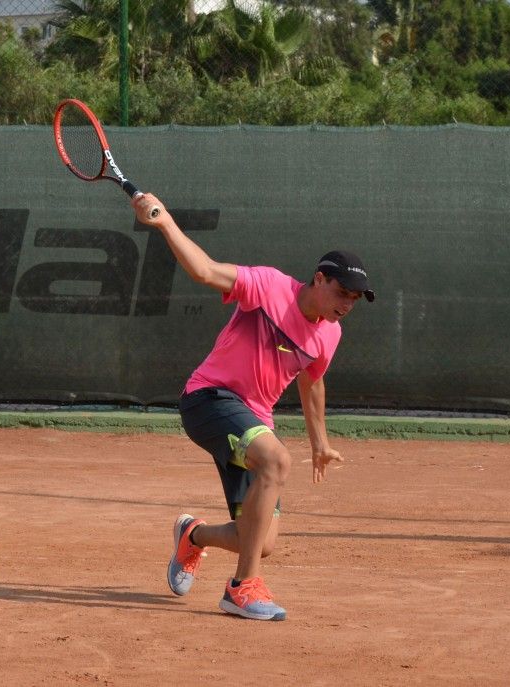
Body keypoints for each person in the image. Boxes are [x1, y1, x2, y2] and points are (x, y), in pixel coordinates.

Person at [131, 192, 374, 620]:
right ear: (319, 279)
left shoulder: (329, 334)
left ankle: (194, 535)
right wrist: (166, 221)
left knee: (259, 541)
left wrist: (319, 441)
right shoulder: (267, 287)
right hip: (209, 398)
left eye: (356, 299)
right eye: (343, 292)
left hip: (254, 417)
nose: (348, 304)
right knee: (277, 462)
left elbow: (312, 382)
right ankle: (241, 588)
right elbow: (206, 271)